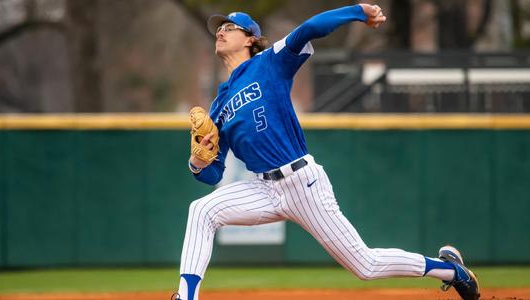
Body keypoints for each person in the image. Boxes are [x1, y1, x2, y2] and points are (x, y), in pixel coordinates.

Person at [175, 4, 480, 300]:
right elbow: (213, 172)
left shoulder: (269, 63)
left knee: (365, 265)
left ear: (251, 38)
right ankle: (187, 296)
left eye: (230, 27)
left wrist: (357, 12)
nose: (221, 32)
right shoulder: (218, 105)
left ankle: (451, 271)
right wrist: (197, 161)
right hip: (263, 188)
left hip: (302, 182)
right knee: (201, 211)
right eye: (219, 29)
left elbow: (308, 29)